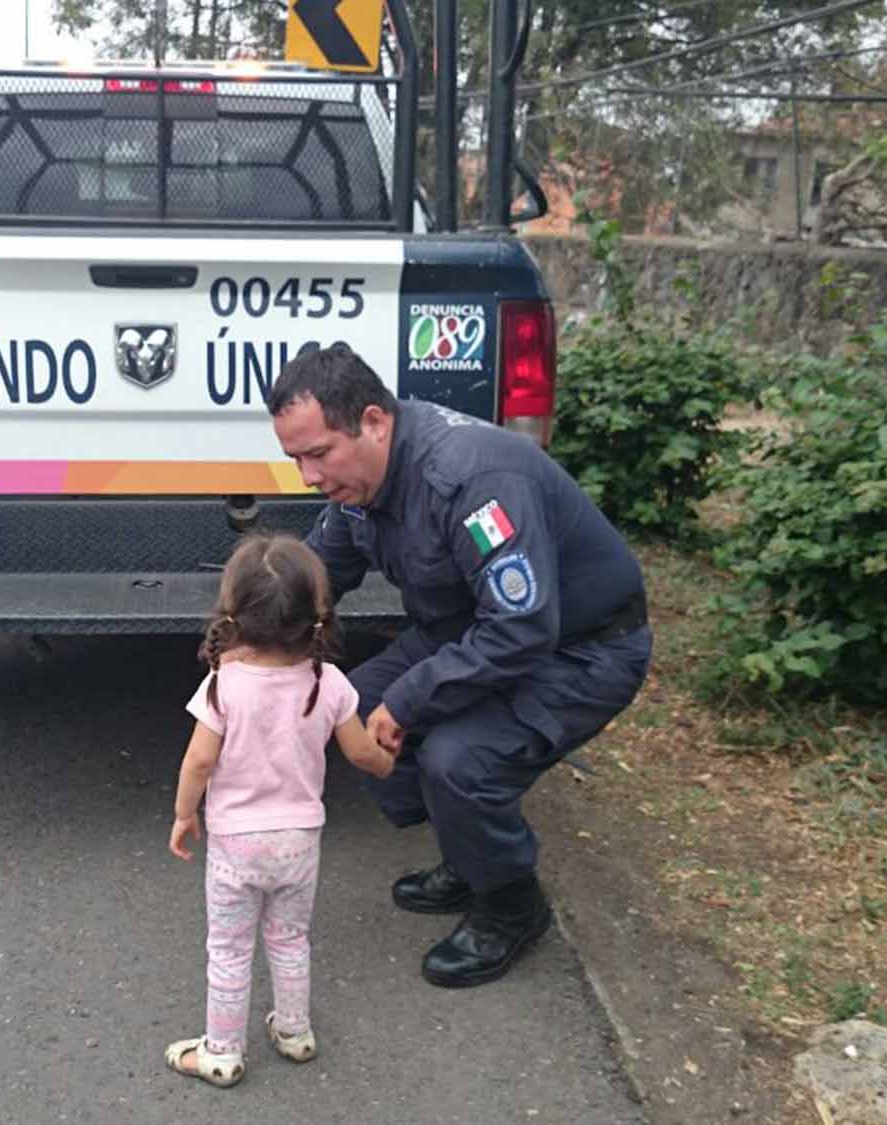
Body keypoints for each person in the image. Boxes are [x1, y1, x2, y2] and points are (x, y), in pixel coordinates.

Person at [267, 343, 651, 989]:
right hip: (471, 631)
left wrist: (411, 700)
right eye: (294, 458)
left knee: (458, 758)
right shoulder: (361, 478)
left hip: (582, 647)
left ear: (374, 421)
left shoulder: (471, 480)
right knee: (351, 704)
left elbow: (523, 627)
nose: (307, 476)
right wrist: (253, 646)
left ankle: (510, 904)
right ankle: (469, 851)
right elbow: (319, 571)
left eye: (318, 453)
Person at [163, 533, 397, 1089]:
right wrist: (389, 765)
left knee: (229, 948)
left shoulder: (224, 685)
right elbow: (361, 751)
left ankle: (221, 1051)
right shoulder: (329, 682)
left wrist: (183, 814)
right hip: (299, 842)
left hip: (236, 846)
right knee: (290, 939)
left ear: (234, 613)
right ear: (316, 615)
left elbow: (198, 762)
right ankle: (294, 1032)